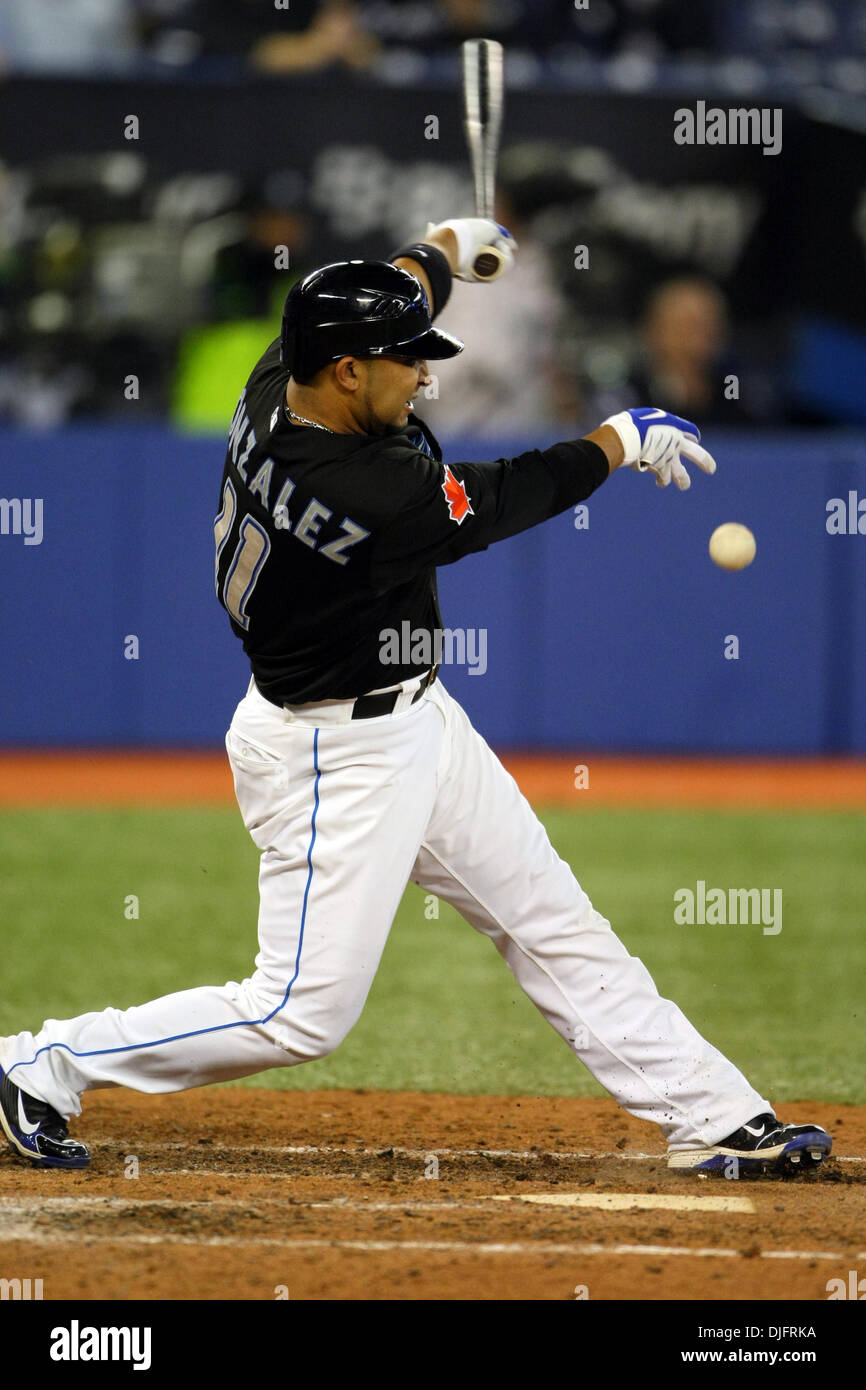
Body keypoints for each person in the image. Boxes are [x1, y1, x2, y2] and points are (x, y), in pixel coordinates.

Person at [0, 217, 831, 1178]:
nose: (426, 375)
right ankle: (40, 1063)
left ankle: (715, 1115)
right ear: (348, 371)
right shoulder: (364, 490)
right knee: (299, 1013)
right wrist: (619, 438)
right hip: (330, 753)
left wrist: (442, 247)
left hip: (417, 721)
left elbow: (388, 292)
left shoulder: (287, 373)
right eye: (406, 361)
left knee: (551, 922)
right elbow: (508, 494)